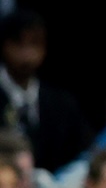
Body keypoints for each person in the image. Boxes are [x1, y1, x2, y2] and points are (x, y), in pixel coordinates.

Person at [0, 10, 91, 172]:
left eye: (34, 43)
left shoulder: (62, 104)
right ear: (4, 45)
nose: (27, 54)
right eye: (18, 43)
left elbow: (83, 153)